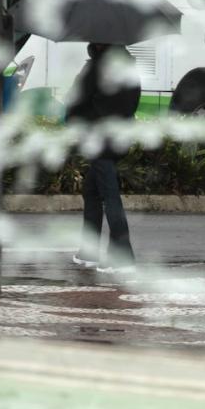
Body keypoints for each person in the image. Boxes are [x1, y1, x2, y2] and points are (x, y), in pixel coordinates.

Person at [66, 43, 141, 274]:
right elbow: (131, 104)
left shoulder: (95, 68)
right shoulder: (130, 68)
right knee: (91, 191)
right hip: (118, 138)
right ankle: (88, 252)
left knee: (110, 196)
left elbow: (76, 101)